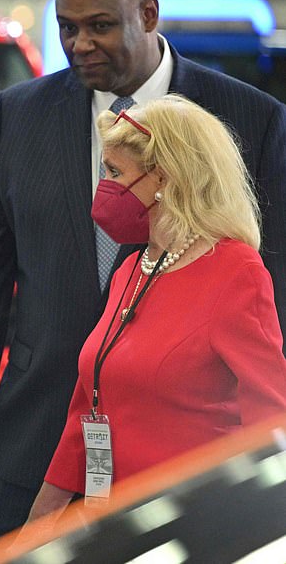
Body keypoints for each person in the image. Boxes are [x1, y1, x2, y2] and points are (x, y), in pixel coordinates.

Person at [0, 0, 286, 544]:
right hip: (40, 437)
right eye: (68, 28)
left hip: (183, 463)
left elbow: (271, 291)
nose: (79, 45)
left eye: (99, 26)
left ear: (148, 15)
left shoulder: (249, 118)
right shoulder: (20, 114)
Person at [28, 94, 286, 520]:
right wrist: (36, 528)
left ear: (165, 177)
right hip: (111, 517)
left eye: (114, 172)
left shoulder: (235, 271)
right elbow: (86, 410)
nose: (104, 187)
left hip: (192, 523)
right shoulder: (133, 267)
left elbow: (270, 424)